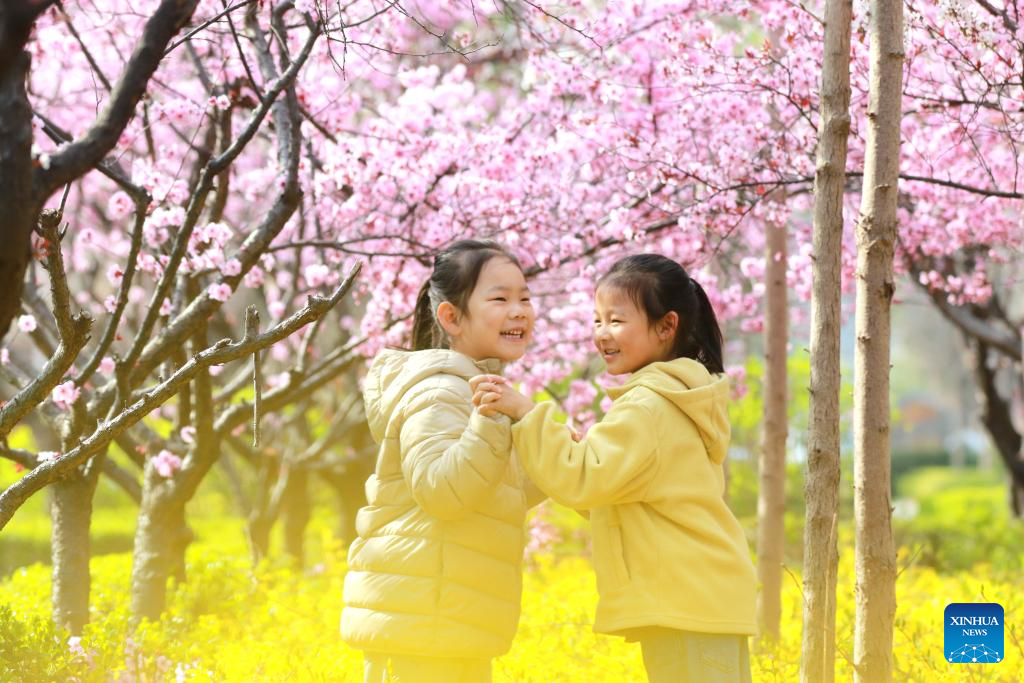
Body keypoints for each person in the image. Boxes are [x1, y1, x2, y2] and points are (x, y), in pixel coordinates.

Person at [472, 253, 757, 683]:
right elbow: (609, 487)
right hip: (700, 599)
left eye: (617, 321)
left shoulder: (648, 406)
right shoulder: (673, 397)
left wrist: (526, 413)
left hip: (688, 604)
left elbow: (583, 480)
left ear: (667, 326)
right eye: (596, 320)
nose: (602, 335)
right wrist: (569, 448)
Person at [341, 239, 542, 683]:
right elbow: (443, 490)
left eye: (525, 297)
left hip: (447, 624)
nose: (519, 310)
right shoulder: (440, 391)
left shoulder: (475, 390)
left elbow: (485, 493)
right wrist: (493, 416)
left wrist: (550, 457)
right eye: (500, 298)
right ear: (451, 317)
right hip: (421, 631)